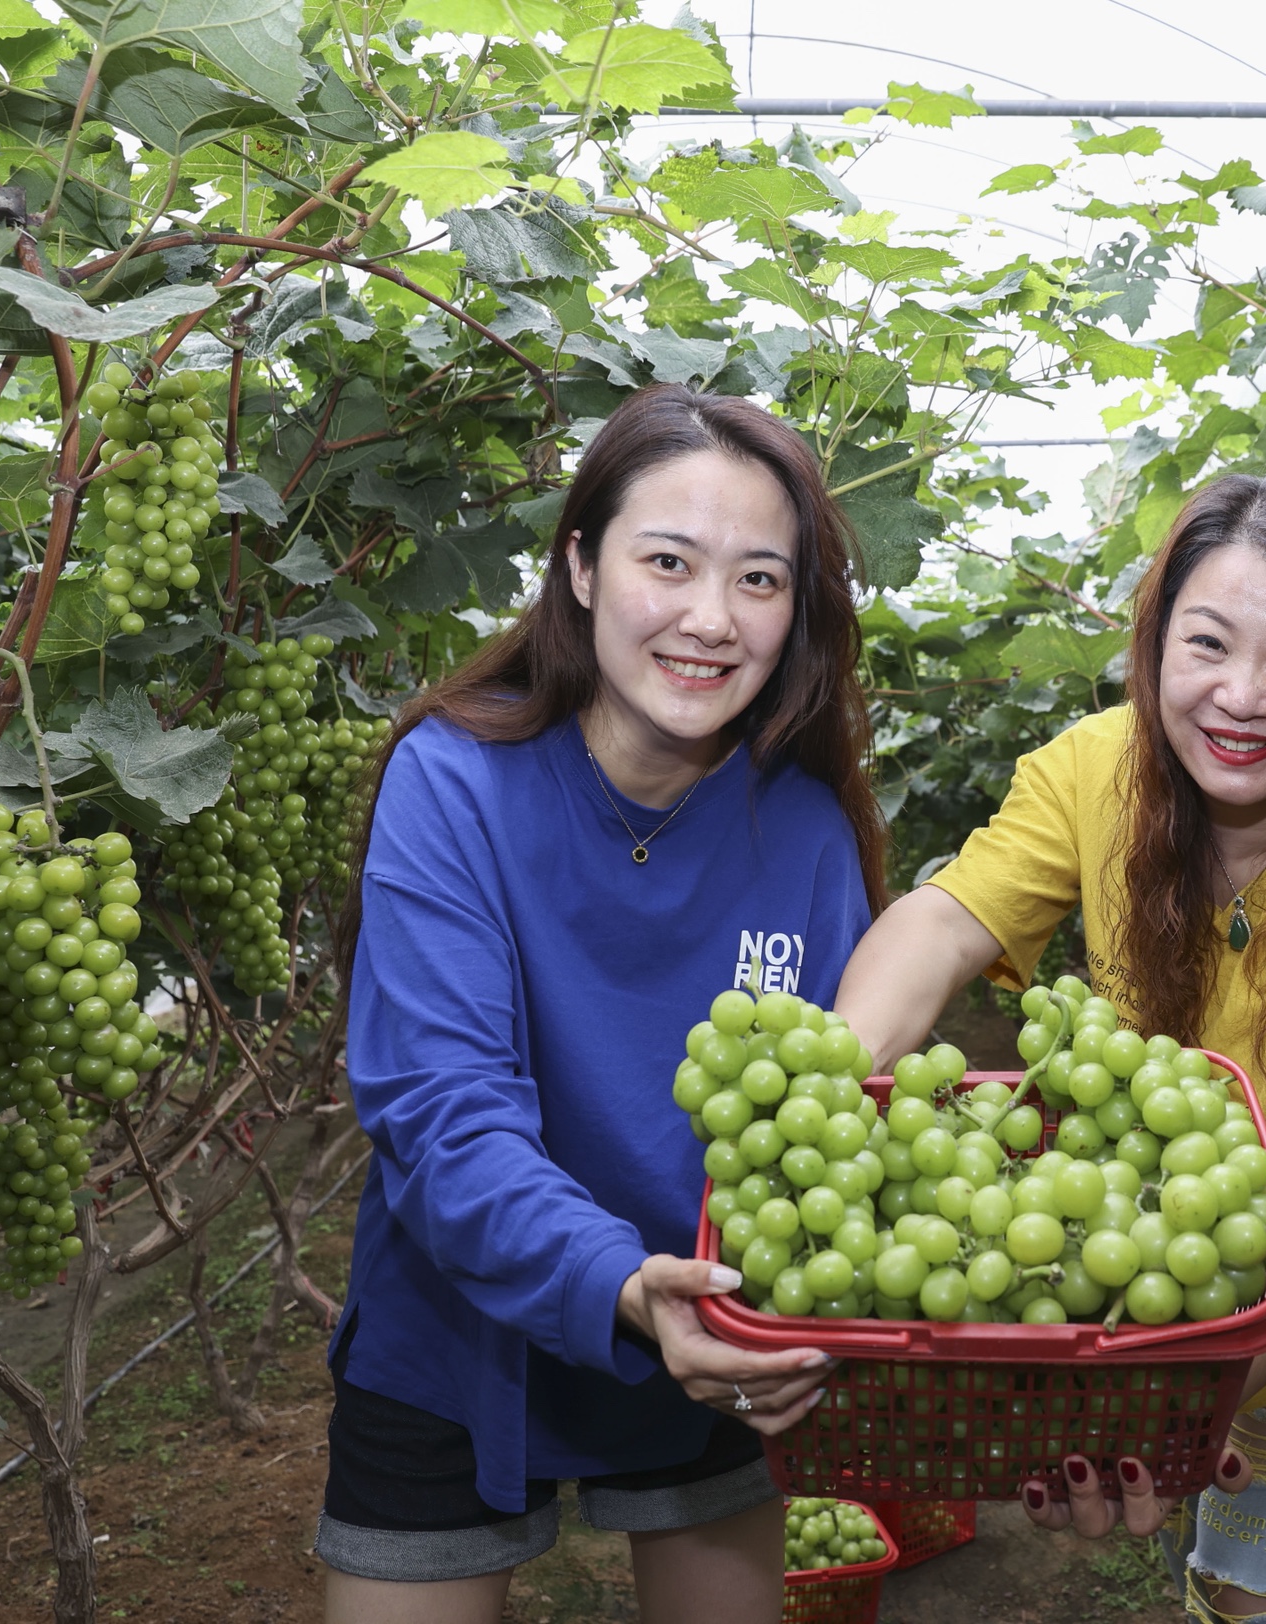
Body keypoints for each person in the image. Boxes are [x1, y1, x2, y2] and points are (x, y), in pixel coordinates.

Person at [836, 474, 1266, 1623]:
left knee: (1265, 1575)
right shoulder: (1097, 767)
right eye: (1208, 643)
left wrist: (1124, 1421)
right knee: (1213, 1512)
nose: (1243, 695)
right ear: (1153, 649)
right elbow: (946, 921)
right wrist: (836, 1083)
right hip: (1200, 1180)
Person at [321, 384, 886, 1624]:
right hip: (457, 1321)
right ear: (579, 564)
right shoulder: (454, 782)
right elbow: (444, 1118)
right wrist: (623, 1285)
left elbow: (837, 1122)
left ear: (796, 610)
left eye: (759, 580)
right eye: (668, 562)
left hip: (717, 1324)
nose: (709, 618)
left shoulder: (802, 829)